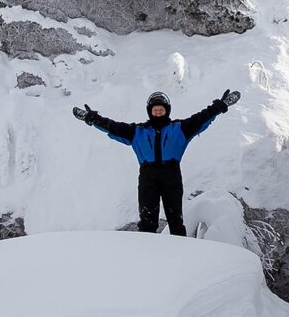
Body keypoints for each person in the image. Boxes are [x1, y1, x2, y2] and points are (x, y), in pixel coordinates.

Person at [74, 89, 240, 236]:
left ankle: (182, 255)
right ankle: (148, 258)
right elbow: (113, 127)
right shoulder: (137, 131)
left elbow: (202, 118)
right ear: (150, 112)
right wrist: (92, 119)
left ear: (167, 111)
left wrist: (221, 105)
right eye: (155, 110)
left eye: (161, 110)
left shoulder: (180, 128)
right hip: (148, 176)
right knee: (147, 221)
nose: (158, 113)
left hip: (171, 175)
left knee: (175, 219)